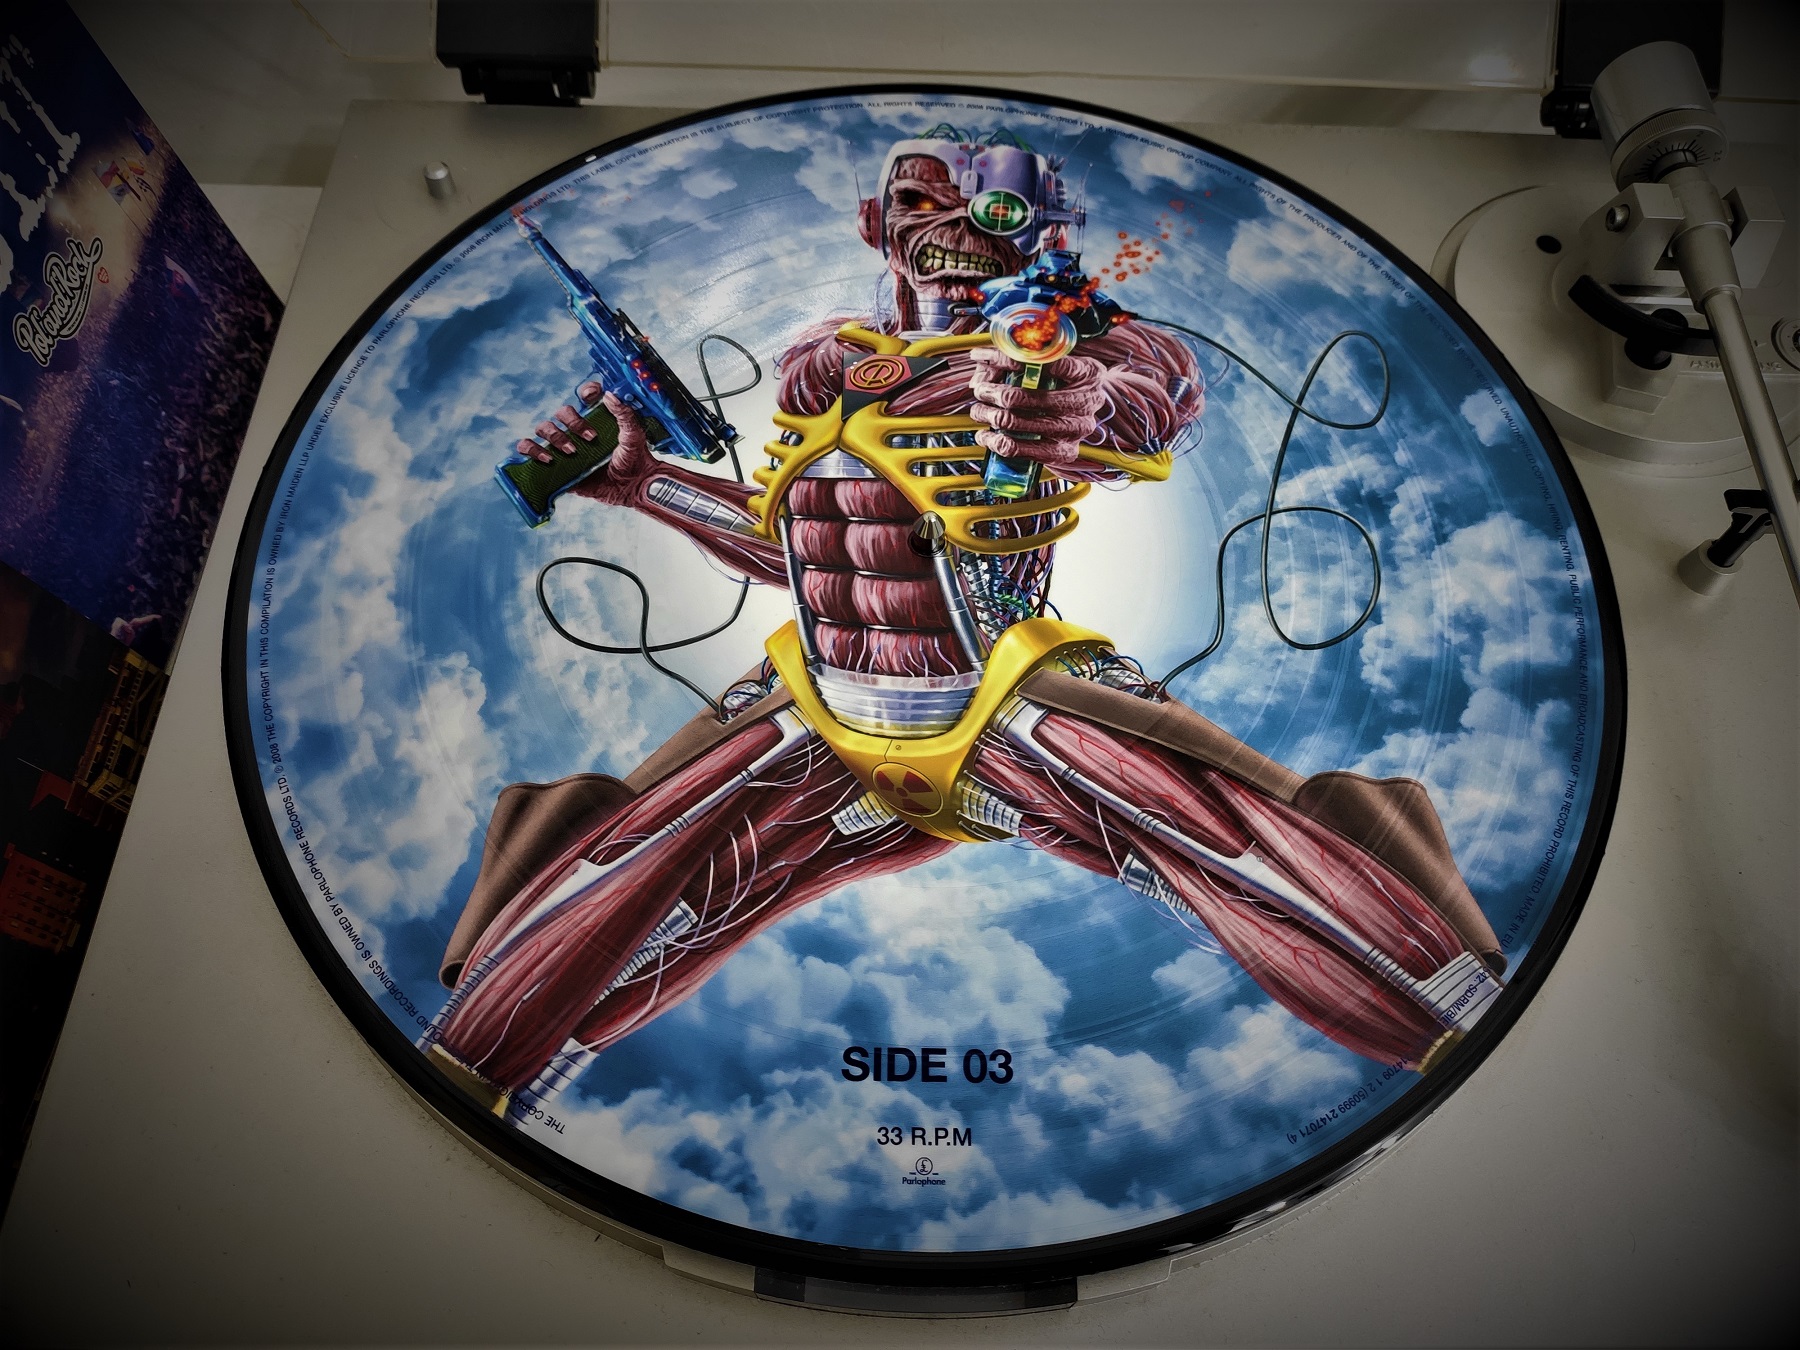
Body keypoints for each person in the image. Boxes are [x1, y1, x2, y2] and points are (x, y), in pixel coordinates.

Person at [424, 129, 1505, 1117]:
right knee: (599, 896)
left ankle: (1472, 1038)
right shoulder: (823, 364)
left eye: (993, 207)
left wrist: (1072, 400)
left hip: (996, 696)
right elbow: (805, 549)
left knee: (1266, 865)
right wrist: (646, 483)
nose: (955, 228)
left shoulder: (1073, 339)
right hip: (818, 707)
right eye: (920, 201)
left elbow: (1143, 401)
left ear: (1044, 230)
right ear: (876, 222)